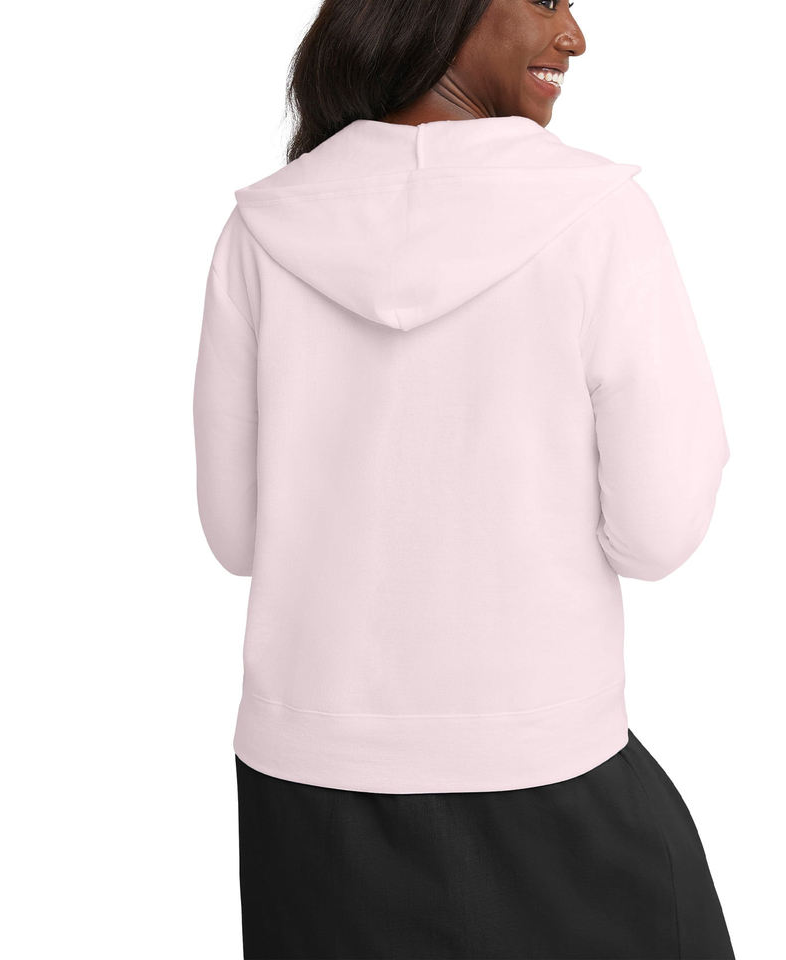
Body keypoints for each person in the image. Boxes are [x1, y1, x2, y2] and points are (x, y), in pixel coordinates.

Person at [192, 1, 735, 957]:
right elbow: (658, 533)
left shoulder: (262, 228)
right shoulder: (596, 216)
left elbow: (238, 535)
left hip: (308, 798)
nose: (575, 35)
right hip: (546, 767)